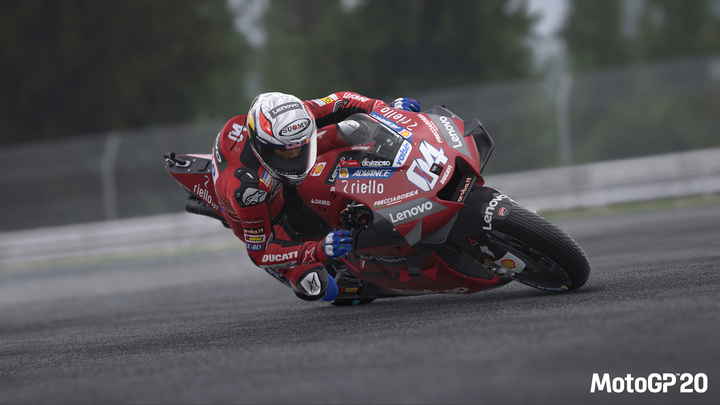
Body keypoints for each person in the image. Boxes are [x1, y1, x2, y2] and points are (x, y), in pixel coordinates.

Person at [211, 92, 420, 302]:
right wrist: (321, 249)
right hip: (270, 217)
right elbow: (260, 254)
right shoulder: (247, 191)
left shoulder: (294, 116)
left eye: (300, 149)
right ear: (262, 147)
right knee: (317, 285)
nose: (295, 158)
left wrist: (387, 111)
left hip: (277, 175)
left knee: (356, 130)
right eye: (284, 153)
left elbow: (342, 100)